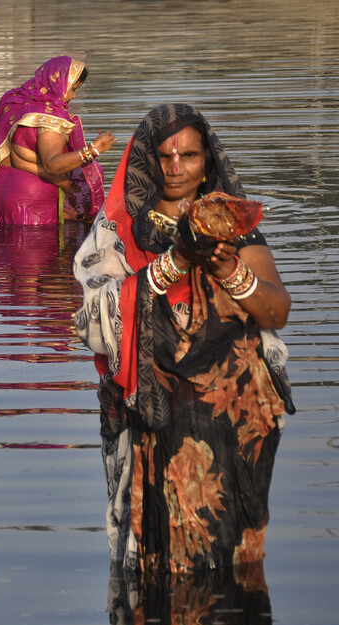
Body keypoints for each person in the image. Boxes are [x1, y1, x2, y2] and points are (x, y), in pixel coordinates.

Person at [74, 104, 293, 575]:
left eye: (189, 156)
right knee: (156, 561)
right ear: (145, 159)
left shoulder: (230, 224)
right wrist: (172, 263)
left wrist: (226, 268)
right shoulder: (115, 232)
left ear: (207, 161)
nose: (176, 168)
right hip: (153, 418)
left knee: (230, 559)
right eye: (165, 156)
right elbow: (94, 322)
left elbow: (277, 310)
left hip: (232, 416)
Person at [0, 56, 114, 225]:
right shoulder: (51, 117)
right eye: (72, 89)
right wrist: (95, 149)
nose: (73, 96)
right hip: (31, 207)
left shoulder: (14, 101)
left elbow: (10, 157)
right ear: (60, 84)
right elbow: (52, 164)